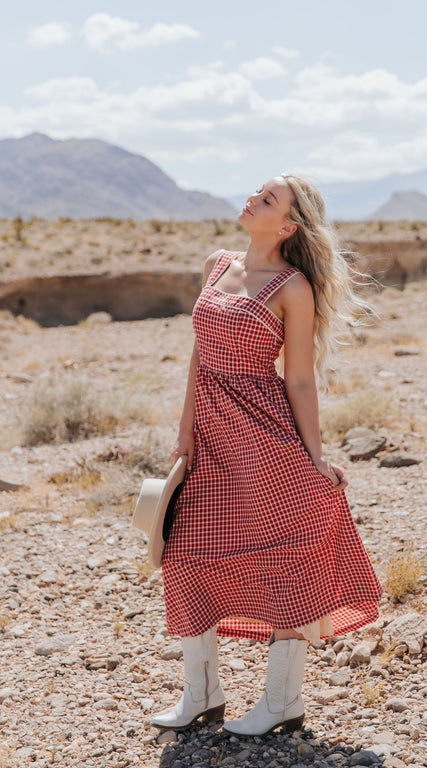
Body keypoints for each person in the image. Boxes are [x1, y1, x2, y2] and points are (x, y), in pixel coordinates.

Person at [152, 174, 383, 738]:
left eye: (268, 199)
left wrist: (316, 458)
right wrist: (185, 431)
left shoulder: (292, 287)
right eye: (258, 191)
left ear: (288, 226)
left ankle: (283, 700)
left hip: (263, 438)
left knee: (286, 560)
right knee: (186, 554)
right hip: (210, 437)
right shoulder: (217, 264)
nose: (253, 198)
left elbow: (298, 379)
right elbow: (199, 355)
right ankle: (201, 695)